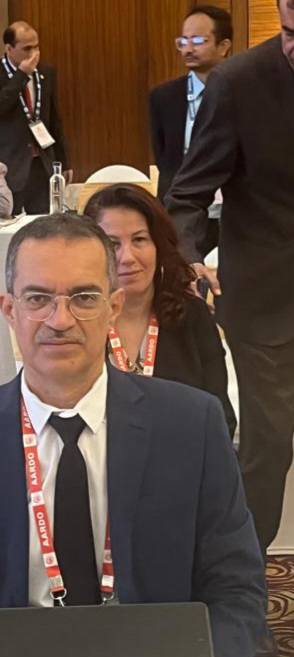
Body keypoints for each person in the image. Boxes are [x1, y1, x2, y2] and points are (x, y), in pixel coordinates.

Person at [0, 214, 266, 657]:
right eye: (38, 298)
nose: (60, 320)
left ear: (114, 307)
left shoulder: (191, 426)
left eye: (84, 298)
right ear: (9, 310)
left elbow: (235, 587)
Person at [166, 0, 294, 557]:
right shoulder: (239, 83)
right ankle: (242, 571)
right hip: (267, 298)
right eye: (288, 29)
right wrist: (188, 255)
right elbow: (188, 194)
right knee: (270, 443)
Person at [84, 183, 235, 434]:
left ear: (159, 245)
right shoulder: (80, 320)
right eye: (112, 244)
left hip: (182, 453)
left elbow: (220, 417)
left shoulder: (191, 315)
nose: (127, 257)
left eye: (139, 239)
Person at [0, 20, 69, 214]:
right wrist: (21, 75)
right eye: (27, 48)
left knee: (44, 221)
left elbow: (54, 119)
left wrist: (63, 162)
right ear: (9, 49)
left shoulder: (45, 72)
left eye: (36, 47)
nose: (34, 54)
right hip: (11, 163)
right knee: (10, 219)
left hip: (42, 162)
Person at [149, 6, 232, 206]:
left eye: (198, 41)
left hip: (232, 207)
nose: (188, 49)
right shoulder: (163, 97)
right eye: (183, 42)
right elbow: (164, 158)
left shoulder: (243, 92)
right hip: (180, 207)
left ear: (223, 46)